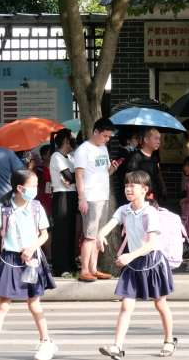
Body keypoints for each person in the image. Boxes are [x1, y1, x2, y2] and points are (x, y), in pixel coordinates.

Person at [96, 170, 176, 359]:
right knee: (126, 306)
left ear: (144, 190)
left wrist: (129, 256)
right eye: (126, 185)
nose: (128, 189)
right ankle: (117, 347)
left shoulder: (150, 213)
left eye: (133, 186)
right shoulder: (124, 210)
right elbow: (110, 224)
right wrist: (100, 234)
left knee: (160, 304)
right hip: (133, 264)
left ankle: (169, 340)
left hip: (152, 262)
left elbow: (152, 244)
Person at [0, 169, 58, 360]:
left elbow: (44, 234)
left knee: (34, 303)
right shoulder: (4, 208)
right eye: (32, 186)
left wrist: (31, 248)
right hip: (9, 259)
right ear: (19, 188)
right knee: (3, 304)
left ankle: (46, 342)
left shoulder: (36, 207)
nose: (35, 189)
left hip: (32, 259)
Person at [74, 118, 119, 282]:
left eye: (109, 137)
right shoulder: (83, 150)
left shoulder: (103, 148)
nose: (107, 139)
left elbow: (105, 172)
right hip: (91, 197)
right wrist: (82, 198)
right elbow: (78, 175)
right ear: (96, 132)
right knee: (90, 235)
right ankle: (85, 269)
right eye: (105, 136)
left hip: (103, 195)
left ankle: (93, 268)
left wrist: (113, 168)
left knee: (98, 234)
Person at [49, 129, 78, 278]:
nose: (74, 142)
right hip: (62, 196)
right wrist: (74, 177)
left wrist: (74, 177)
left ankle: (70, 263)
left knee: (71, 231)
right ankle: (60, 267)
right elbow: (70, 176)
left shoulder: (71, 157)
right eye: (71, 139)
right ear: (66, 141)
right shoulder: (56, 156)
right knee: (61, 232)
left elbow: (75, 176)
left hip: (72, 195)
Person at [126, 127, 166, 200]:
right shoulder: (136, 157)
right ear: (146, 140)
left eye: (159, 139)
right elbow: (130, 178)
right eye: (156, 138)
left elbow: (157, 175)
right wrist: (144, 193)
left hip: (154, 196)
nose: (159, 142)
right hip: (141, 197)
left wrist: (163, 189)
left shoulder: (154, 158)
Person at [114, 130, 139, 207]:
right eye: (135, 138)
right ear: (128, 140)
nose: (138, 140)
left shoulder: (132, 152)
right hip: (126, 188)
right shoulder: (123, 154)